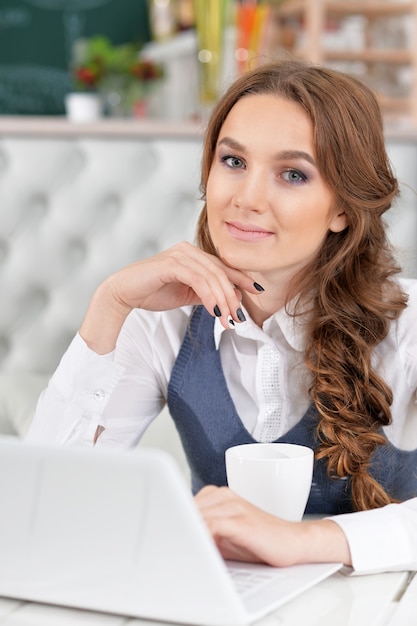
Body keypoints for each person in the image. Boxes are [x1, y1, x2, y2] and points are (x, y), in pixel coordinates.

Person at [27, 58, 417, 575]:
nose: (246, 199)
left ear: (343, 208)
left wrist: (300, 541)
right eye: (233, 162)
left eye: (293, 174)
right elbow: (43, 501)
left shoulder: (406, 326)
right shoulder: (162, 320)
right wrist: (110, 305)